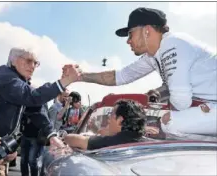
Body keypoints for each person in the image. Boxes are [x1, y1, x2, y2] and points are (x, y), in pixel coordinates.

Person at [62, 7, 217, 136]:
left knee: (169, 122)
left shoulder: (172, 45)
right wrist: (80, 76)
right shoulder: (153, 55)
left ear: (147, 31)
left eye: (131, 34)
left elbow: (181, 103)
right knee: (169, 122)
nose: (128, 41)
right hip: (211, 105)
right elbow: (120, 76)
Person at [0, 47, 81, 151]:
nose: (33, 66)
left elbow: (36, 110)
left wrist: (51, 135)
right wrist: (66, 81)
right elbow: (33, 97)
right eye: (28, 61)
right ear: (13, 61)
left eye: (35, 63)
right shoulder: (6, 78)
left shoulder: (19, 83)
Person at [63, 100, 147, 150]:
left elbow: (71, 139)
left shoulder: (112, 141)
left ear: (120, 120)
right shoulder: (146, 141)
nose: (108, 118)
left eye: (111, 114)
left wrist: (64, 137)